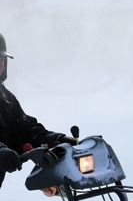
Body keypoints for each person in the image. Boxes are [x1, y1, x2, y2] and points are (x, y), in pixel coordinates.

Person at [0, 32, 76, 188]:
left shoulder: (6, 98)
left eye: (1, 60)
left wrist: (55, 139)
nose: (0, 65)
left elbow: (25, 129)